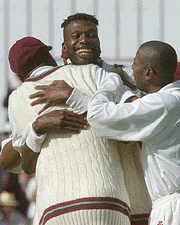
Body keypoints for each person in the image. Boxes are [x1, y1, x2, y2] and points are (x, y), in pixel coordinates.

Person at [28, 13, 151, 224]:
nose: (84, 40)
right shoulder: (47, 86)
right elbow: (14, 158)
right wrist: (36, 128)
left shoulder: (121, 80)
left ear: (99, 44)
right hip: (64, 204)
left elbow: (137, 130)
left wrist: (76, 98)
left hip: (129, 205)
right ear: (64, 47)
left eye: (91, 35)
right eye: (76, 35)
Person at [6, 36, 135, 225]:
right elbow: (131, 117)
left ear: (18, 76)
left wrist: (37, 129)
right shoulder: (92, 72)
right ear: (50, 57)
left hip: (55, 206)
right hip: (109, 199)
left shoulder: (17, 99)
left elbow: (27, 165)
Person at [87, 40, 180, 225]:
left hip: (172, 209)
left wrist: (111, 82)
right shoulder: (172, 100)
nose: (132, 68)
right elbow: (138, 107)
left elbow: (97, 116)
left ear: (149, 73)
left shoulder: (163, 104)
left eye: (135, 63)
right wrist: (126, 88)